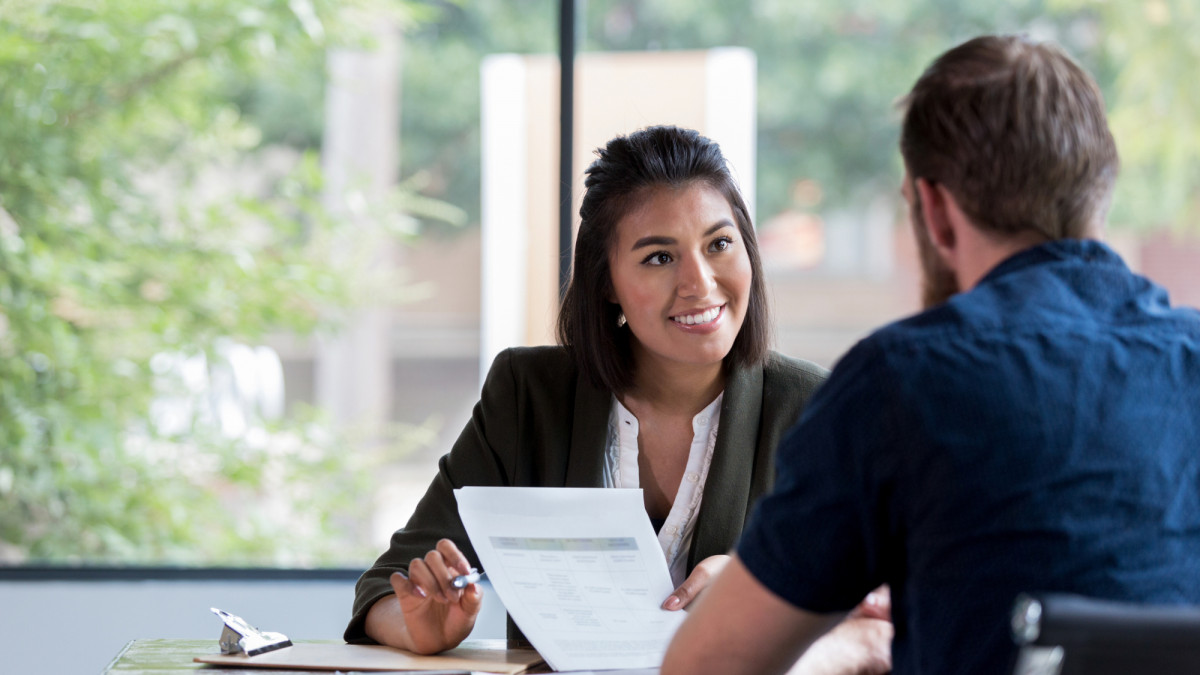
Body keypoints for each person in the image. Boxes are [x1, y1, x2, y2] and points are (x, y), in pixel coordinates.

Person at [663, 34, 1200, 675]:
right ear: (1101, 191)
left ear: (937, 211)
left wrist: (855, 644)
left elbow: (706, 666)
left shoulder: (902, 382)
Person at [344, 125, 890, 670]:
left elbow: (886, 611)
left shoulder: (816, 408)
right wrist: (420, 628)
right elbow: (382, 591)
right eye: (659, 257)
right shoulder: (528, 396)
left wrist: (762, 591)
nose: (699, 283)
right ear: (606, 282)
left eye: (719, 244)